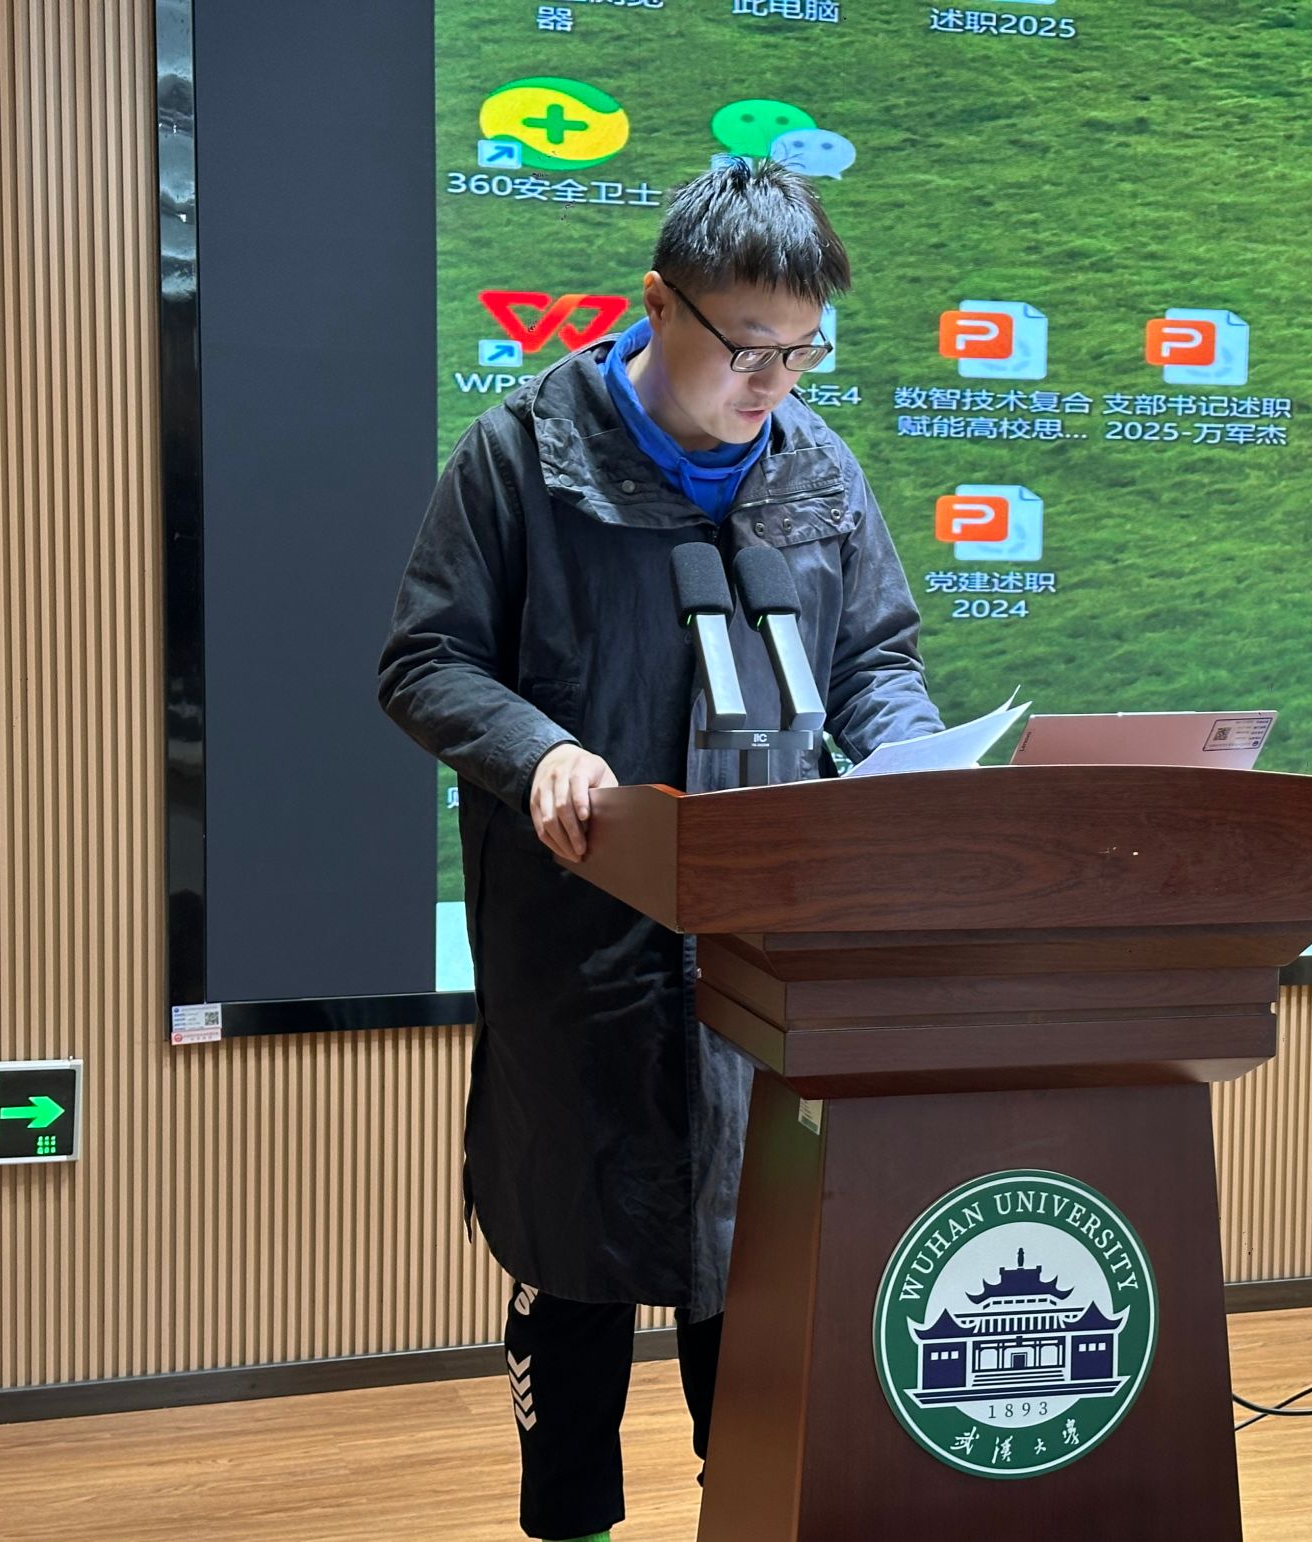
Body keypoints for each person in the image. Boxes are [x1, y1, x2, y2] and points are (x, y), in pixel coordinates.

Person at [376, 158, 942, 1542]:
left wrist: (909, 762)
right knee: (574, 1268)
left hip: (761, 959)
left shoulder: (817, 470)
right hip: (582, 952)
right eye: (747, 347)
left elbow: (875, 659)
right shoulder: (521, 458)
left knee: (749, 1293)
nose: (773, 383)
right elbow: (428, 659)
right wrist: (538, 750)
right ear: (658, 304)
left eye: (802, 352)